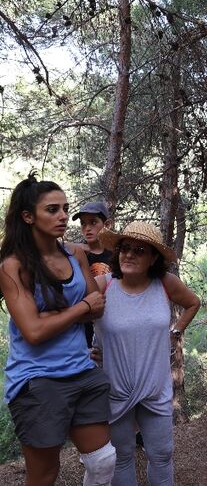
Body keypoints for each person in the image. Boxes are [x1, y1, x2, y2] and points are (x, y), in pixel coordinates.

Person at [0, 175, 115, 486]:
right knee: (44, 474)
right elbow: (35, 332)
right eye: (52, 209)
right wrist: (77, 309)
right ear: (28, 216)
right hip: (38, 380)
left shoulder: (75, 254)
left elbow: (98, 305)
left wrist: (56, 316)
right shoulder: (14, 266)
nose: (63, 216)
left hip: (81, 370)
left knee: (104, 462)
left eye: (65, 208)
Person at [95, 221, 201, 486]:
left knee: (162, 455)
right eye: (125, 248)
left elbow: (193, 303)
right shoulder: (102, 286)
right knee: (122, 456)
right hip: (116, 390)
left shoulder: (165, 284)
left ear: (153, 258)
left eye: (139, 250)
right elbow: (71, 312)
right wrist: (87, 350)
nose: (129, 254)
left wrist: (175, 332)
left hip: (155, 388)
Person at [70, 201, 112, 348]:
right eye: (83, 224)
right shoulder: (76, 255)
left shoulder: (117, 256)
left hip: (111, 321)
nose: (87, 228)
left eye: (93, 222)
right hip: (83, 324)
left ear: (107, 225)